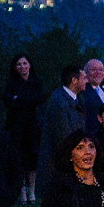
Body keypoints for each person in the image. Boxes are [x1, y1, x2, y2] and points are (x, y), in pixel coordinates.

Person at [37, 65, 87, 197]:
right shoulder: (58, 102)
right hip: (61, 162)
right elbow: (63, 136)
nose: (86, 81)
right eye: (84, 78)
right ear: (74, 80)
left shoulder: (78, 99)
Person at [4, 55, 46, 204]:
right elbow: (9, 100)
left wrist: (20, 99)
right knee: (19, 158)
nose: (22, 66)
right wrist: (24, 100)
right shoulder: (11, 83)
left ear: (29, 65)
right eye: (19, 64)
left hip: (33, 127)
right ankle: (21, 192)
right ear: (15, 67)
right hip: (17, 127)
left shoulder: (37, 82)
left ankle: (32, 191)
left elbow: (40, 98)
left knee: (33, 159)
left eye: (24, 63)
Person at [78, 59, 104, 135]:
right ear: (86, 73)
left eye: (101, 70)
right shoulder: (82, 92)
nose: (98, 72)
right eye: (93, 69)